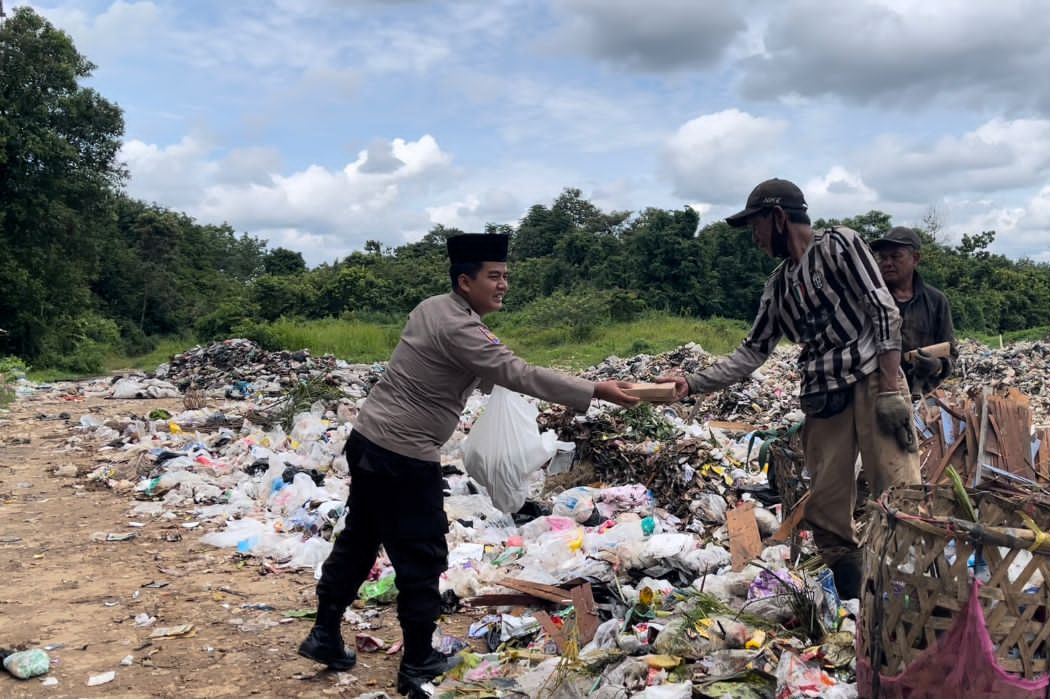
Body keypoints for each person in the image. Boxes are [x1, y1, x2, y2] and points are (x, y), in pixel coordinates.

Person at [298, 233, 640, 697]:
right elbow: (515, 372)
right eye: (494, 277)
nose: (503, 286)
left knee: (361, 537)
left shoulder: (432, 308)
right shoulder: (462, 328)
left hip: (369, 442)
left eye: (506, 277)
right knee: (422, 554)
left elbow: (470, 369)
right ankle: (418, 660)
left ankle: (324, 634)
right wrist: (596, 390)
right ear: (465, 281)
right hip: (403, 453)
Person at [658, 179, 919, 599]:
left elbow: (882, 309)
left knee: (900, 495)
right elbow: (751, 352)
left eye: (757, 227)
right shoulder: (779, 287)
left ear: (778, 217)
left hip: (873, 381)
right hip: (824, 396)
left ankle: (914, 596)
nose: (756, 239)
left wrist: (890, 388)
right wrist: (690, 383)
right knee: (827, 510)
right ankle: (855, 604)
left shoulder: (840, 246)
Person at [870, 226, 957, 397]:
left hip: (924, 397)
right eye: (882, 257)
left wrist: (937, 366)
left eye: (895, 256)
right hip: (881, 397)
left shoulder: (936, 301)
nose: (887, 263)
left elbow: (951, 352)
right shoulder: (872, 300)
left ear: (915, 259)